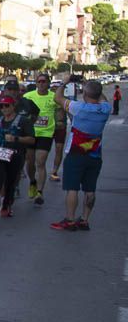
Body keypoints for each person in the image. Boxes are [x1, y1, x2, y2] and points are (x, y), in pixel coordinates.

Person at [51, 77, 112, 231]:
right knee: (90, 189)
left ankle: (70, 220)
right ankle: (84, 220)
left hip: (76, 154)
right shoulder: (105, 109)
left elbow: (57, 98)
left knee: (72, 188)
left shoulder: (79, 108)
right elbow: (101, 98)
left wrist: (64, 82)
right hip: (95, 156)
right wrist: (89, 86)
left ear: (84, 94)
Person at [0, 94, 33, 224]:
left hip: (16, 155)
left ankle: (6, 204)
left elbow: (32, 139)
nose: (4, 108)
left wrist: (16, 139)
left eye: (7, 106)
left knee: (11, 183)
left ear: (13, 106)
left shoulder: (23, 121)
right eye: (2, 106)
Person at [21, 73, 60, 208]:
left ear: (48, 83)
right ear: (36, 83)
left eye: (44, 81)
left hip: (46, 133)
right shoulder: (28, 96)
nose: (42, 84)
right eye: (39, 81)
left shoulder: (54, 97)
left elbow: (62, 110)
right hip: (30, 134)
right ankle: (32, 181)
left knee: (40, 162)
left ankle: (39, 192)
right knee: (30, 162)